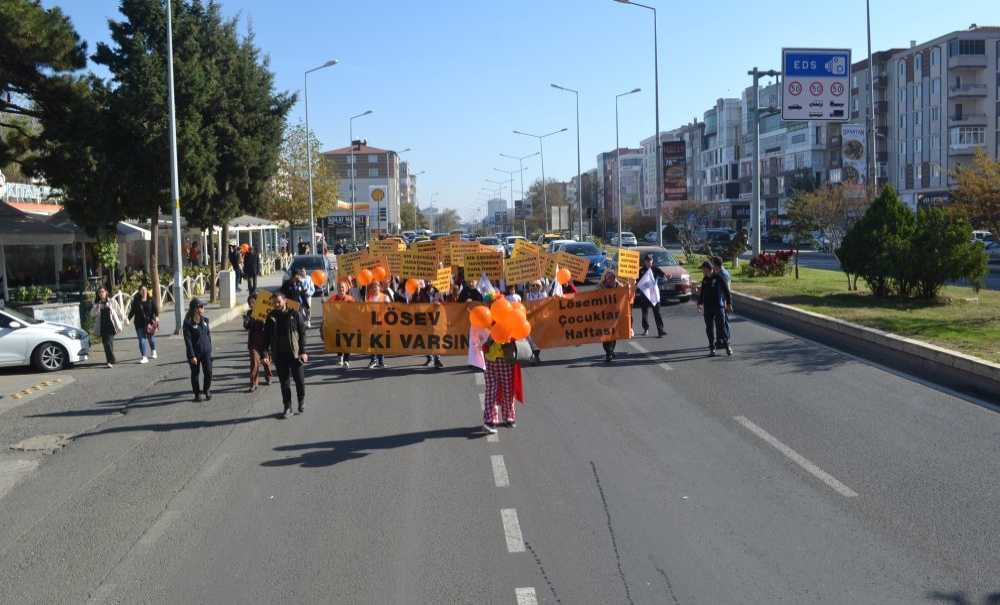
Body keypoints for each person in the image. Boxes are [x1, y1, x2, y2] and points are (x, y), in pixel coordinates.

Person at [266, 291, 308, 418]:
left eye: (278, 302)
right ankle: (287, 407)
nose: (276, 304)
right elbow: (266, 336)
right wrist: (265, 353)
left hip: (295, 354)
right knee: (284, 383)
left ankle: (301, 401)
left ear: (285, 301)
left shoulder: (294, 314)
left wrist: (303, 352)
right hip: (279, 355)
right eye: (274, 303)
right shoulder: (271, 317)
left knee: (299, 380)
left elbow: (302, 333)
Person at [481, 334, 518, 434]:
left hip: (505, 358)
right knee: (490, 390)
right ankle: (490, 420)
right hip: (489, 358)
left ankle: (509, 416)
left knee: (508, 389)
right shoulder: (486, 324)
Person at [697, 260, 734, 356]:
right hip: (708, 307)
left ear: (708, 269)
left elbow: (726, 291)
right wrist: (700, 303)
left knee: (721, 327)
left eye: (703, 269)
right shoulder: (705, 279)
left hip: (718, 306)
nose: (702, 271)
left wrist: (729, 304)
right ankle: (712, 348)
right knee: (709, 328)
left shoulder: (718, 278)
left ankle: (727, 346)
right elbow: (702, 293)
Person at [183, 298, 213, 401]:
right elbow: (188, 341)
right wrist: (192, 356)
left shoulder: (205, 320)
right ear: (195, 309)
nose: (203, 309)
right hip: (195, 353)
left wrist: (209, 348)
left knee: (208, 372)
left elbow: (208, 335)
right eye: (201, 307)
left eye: (203, 307)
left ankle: (206, 389)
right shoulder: (188, 323)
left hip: (206, 352)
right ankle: (197, 394)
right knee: (195, 374)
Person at [244, 292, 272, 392]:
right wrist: (248, 321)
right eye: (249, 303)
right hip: (253, 343)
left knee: (266, 362)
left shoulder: (265, 311)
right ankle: (253, 383)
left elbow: (271, 325)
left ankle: (268, 376)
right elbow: (246, 325)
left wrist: (264, 321)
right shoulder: (249, 313)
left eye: (253, 302)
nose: (251, 304)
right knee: (254, 363)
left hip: (264, 342)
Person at [413, 281, 444, 369]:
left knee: (435, 339)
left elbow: (444, 303)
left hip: (435, 319)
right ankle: (429, 358)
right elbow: (414, 303)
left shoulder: (438, 292)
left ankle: (437, 358)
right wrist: (417, 294)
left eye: (431, 281)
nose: (429, 282)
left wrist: (439, 304)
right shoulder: (421, 291)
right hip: (425, 319)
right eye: (428, 281)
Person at [636, 254, 666, 337]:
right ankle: (646, 329)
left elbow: (663, 275)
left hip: (653, 295)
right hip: (644, 295)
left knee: (657, 313)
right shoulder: (641, 271)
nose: (649, 262)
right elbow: (637, 280)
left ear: (652, 261)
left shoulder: (655, 269)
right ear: (645, 262)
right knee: (644, 313)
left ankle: (660, 330)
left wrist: (665, 276)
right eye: (647, 261)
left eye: (650, 260)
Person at [127, 285, 158, 363]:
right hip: (139, 323)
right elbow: (132, 311)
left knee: (151, 339)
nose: (144, 291)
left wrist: (157, 317)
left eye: (145, 290)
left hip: (149, 323)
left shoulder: (151, 299)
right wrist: (128, 319)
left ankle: (153, 350)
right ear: (139, 292)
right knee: (142, 340)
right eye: (142, 290)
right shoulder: (136, 301)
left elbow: (155, 310)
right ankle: (144, 357)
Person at [329, 280, 355, 368]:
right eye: (339, 287)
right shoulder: (333, 298)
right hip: (337, 324)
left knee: (347, 342)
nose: (341, 289)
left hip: (348, 324)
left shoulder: (350, 299)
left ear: (346, 289)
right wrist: (323, 302)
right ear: (337, 289)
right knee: (339, 341)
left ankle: (346, 360)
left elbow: (356, 310)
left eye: (343, 287)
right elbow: (327, 307)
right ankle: (340, 357)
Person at [599, 271, 623, 362]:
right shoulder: (601, 286)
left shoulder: (618, 286)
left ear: (614, 278)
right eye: (608, 278)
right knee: (605, 335)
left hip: (614, 315)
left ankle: (610, 352)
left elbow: (625, 293)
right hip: (604, 315)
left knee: (613, 334)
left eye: (611, 278)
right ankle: (609, 352)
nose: (609, 280)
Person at [365, 281, 390, 369]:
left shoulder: (385, 297)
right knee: (372, 342)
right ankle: (373, 360)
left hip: (382, 323)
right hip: (372, 323)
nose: (375, 288)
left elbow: (390, 308)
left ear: (380, 287)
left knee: (380, 342)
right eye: (373, 287)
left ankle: (381, 361)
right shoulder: (370, 298)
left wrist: (387, 304)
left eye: (376, 286)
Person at [91, 287, 119, 368]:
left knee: (108, 343)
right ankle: (111, 359)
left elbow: (118, 311)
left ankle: (110, 360)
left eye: (102, 291)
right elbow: (92, 314)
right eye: (99, 292)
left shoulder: (112, 301)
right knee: (106, 344)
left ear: (106, 292)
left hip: (111, 325)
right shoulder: (97, 304)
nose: (101, 293)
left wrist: (124, 319)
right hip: (102, 326)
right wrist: (97, 309)